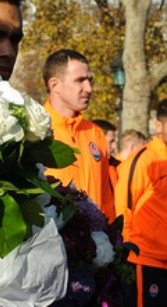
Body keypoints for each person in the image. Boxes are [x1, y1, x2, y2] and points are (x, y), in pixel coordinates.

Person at [115, 98, 167, 307]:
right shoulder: (143, 161)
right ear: (158, 126)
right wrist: (129, 253)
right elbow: (124, 210)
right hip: (147, 261)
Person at [42, 49, 115, 220]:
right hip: (51, 241)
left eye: (90, 80)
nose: (89, 88)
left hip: (94, 241)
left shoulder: (95, 133)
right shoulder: (34, 131)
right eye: (80, 81)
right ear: (55, 85)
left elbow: (106, 198)